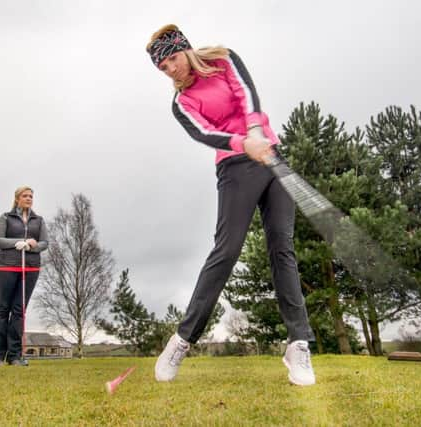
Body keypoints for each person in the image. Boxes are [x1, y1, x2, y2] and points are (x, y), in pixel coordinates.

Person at [146, 25, 316, 386]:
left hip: (272, 154)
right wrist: (242, 143)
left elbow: (247, 93)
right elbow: (204, 132)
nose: (170, 69)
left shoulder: (223, 58)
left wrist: (255, 131)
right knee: (227, 251)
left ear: (185, 50)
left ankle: (298, 344)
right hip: (236, 167)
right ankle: (182, 341)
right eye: (162, 67)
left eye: (172, 59)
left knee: (282, 249)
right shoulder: (181, 103)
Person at [0, 186, 48, 366]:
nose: (29, 198)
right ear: (17, 199)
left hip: (30, 268)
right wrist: (18, 242)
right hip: (6, 267)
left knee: (19, 311)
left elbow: (44, 242)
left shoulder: (38, 220)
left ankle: (14, 355)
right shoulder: (6, 218)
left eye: (31, 196)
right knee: (3, 309)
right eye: (25, 196)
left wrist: (32, 245)